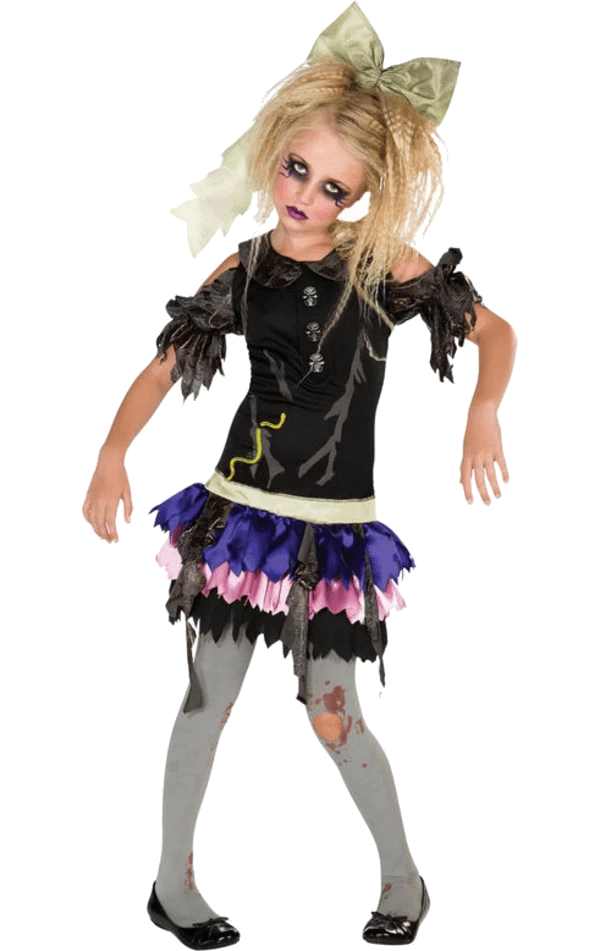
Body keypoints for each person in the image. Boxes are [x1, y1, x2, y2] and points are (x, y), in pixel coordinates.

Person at [82, 10, 516, 950]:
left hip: (334, 527)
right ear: (274, 150)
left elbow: (494, 331)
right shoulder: (247, 269)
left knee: (334, 714)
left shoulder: (379, 267)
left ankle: (403, 880)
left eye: (331, 187)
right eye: (296, 170)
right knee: (205, 703)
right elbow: (164, 367)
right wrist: (113, 454)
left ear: (360, 196)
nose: (305, 196)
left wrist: (483, 411)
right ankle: (171, 888)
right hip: (243, 521)